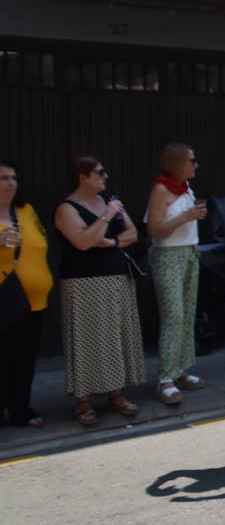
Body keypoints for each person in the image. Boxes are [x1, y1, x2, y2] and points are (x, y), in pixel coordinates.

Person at [53, 156, 144, 426]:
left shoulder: (110, 201)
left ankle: (116, 393)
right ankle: (83, 401)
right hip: (82, 283)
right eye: (100, 173)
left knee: (115, 338)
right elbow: (82, 242)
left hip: (116, 279)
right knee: (85, 339)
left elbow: (132, 234)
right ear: (82, 176)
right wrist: (105, 217)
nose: (105, 177)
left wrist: (109, 241)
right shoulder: (66, 208)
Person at [145, 143, 209, 406]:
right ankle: (165, 379)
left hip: (189, 253)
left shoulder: (184, 187)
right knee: (174, 315)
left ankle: (179, 370)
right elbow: (154, 229)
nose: (195, 165)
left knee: (187, 312)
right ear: (177, 162)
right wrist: (186, 216)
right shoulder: (161, 189)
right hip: (169, 256)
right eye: (191, 160)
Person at [0, 159, 52, 428]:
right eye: (3, 178)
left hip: (33, 301)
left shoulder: (26, 210)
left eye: (12, 178)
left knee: (24, 359)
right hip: (3, 300)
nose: (10, 183)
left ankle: (21, 409)